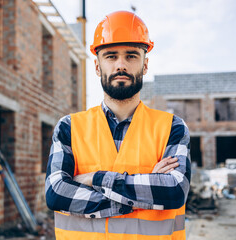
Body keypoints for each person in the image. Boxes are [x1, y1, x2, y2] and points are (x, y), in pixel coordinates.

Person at [45, 11, 191, 240]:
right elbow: (56, 193)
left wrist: (94, 178)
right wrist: (145, 196)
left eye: (131, 56)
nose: (121, 65)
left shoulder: (172, 127)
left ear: (145, 65)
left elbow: (173, 191)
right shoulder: (69, 128)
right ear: (97, 66)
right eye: (111, 56)